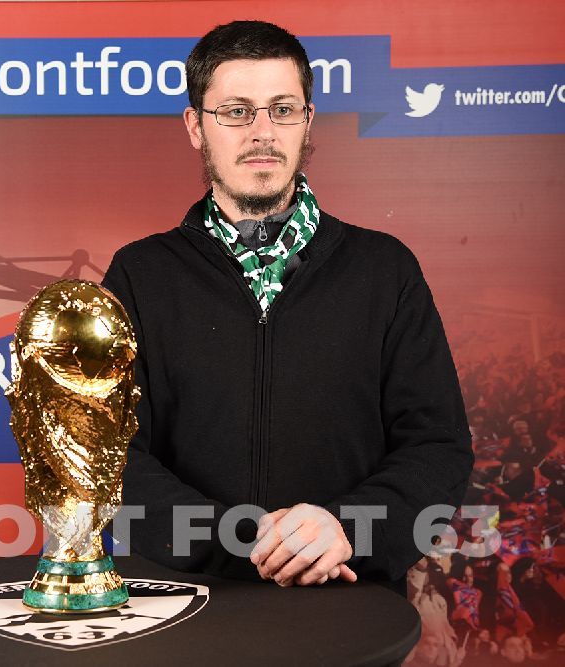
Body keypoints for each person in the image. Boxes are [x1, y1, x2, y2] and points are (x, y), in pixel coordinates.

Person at [102, 20, 473, 593]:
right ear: (196, 126)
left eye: (281, 109)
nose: (262, 132)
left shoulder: (385, 269)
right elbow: (113, 456)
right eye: (236, 111)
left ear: (307, 121)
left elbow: (437, 444)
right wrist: (242, 538)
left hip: (349, 604)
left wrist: (346, 531)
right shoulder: (139, 274)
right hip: (186, 608)